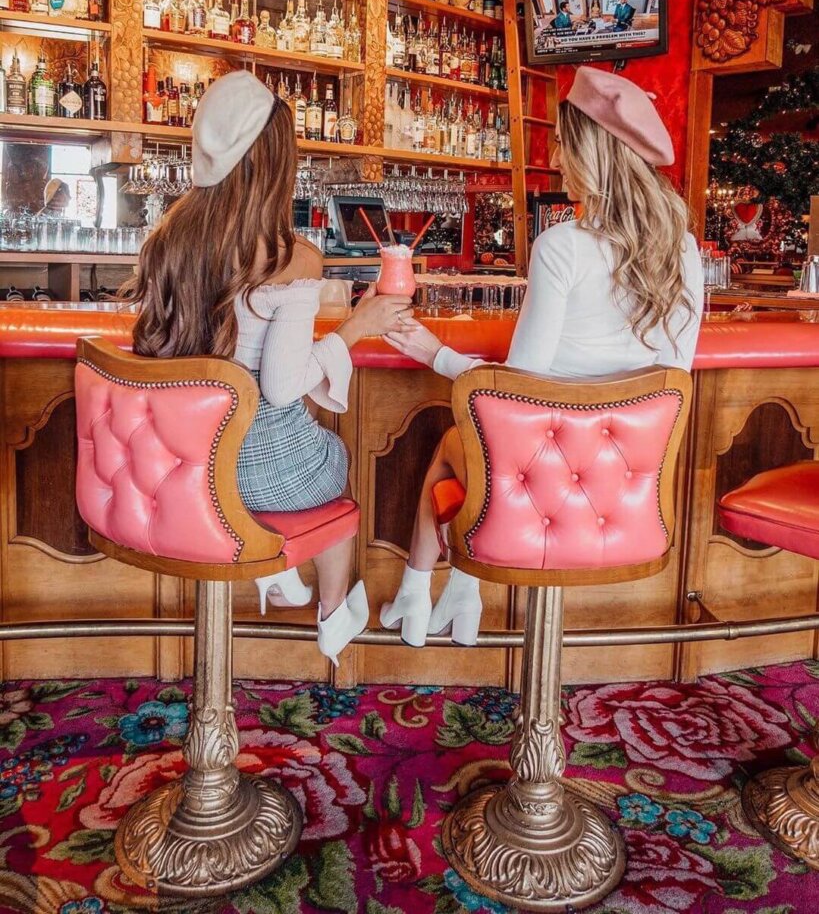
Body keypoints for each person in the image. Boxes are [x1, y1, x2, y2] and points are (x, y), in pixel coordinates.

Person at [380, 66, 705, 647]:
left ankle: (423, 592)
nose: (555, 158)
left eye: (562, 142)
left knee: (455, 442)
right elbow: (674, 373)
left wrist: (437, 354)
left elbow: (518, 392)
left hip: (540, 485)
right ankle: (450, 594)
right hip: (632, 497)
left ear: (589, 150)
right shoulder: (685, 250)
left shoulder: (561, 246)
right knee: (462, 447)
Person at [126, 70, 413, 666]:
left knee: (305, 451)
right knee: (333, 457)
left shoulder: (166, 241)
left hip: (179, 470)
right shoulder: (292, 257)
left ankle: (277, 576)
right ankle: (332, 609)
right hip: (259, 478)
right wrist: (358, 327)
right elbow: (283, 387)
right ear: (274, 163)